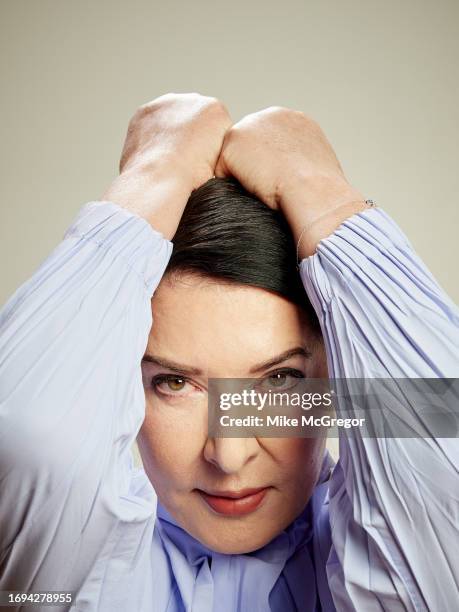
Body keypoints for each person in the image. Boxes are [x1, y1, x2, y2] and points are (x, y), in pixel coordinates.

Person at [0, 93, 457, 612]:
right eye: (173, 383)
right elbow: (31, 440)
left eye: (279, 381)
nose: (229, 454)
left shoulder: (398, 562)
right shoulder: (62, 575)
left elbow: (444, 437)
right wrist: (154, 177)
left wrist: (321, 194)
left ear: (337, 374)